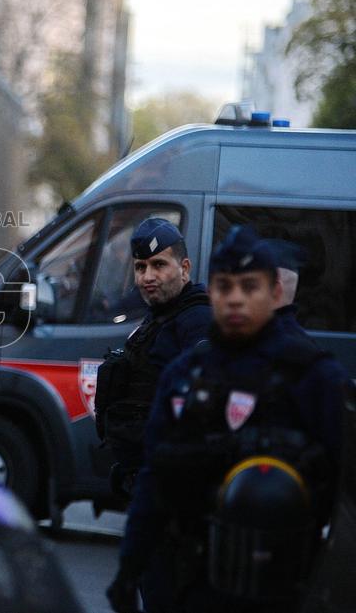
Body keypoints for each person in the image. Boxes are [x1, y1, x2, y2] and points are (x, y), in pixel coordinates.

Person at [107, 225, 350, 613]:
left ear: (272, 294)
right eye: (225, 287)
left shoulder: (312, 375)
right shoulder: (185, 376)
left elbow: (343, 488)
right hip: (195, 570)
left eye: (248, 287)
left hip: (280, 574)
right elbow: (157, 477)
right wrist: (130, 564)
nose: (235, 299)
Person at [95, 218, 211, 502]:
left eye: (159, 265)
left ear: (184, 269)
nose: (147, 277)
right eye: (140, 267)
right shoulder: (159, 316)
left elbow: (202, 412)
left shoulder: (197, 320)